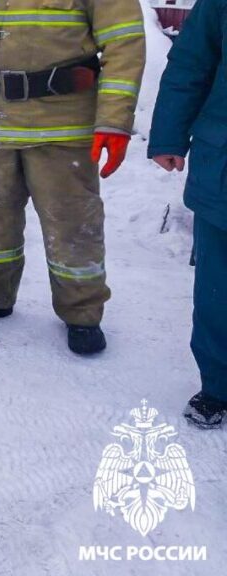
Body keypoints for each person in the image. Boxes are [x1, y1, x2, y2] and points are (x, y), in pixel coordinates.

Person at [0, 0, 146, 354]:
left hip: (64, 128)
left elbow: (125, 45)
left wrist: (114, 122)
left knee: (72, 223)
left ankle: (82, 312)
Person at [148, 0, 227, 429]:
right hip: (224, 168)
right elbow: (192, 63)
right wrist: (169, 135)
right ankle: (219, 386)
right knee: (219, 289)